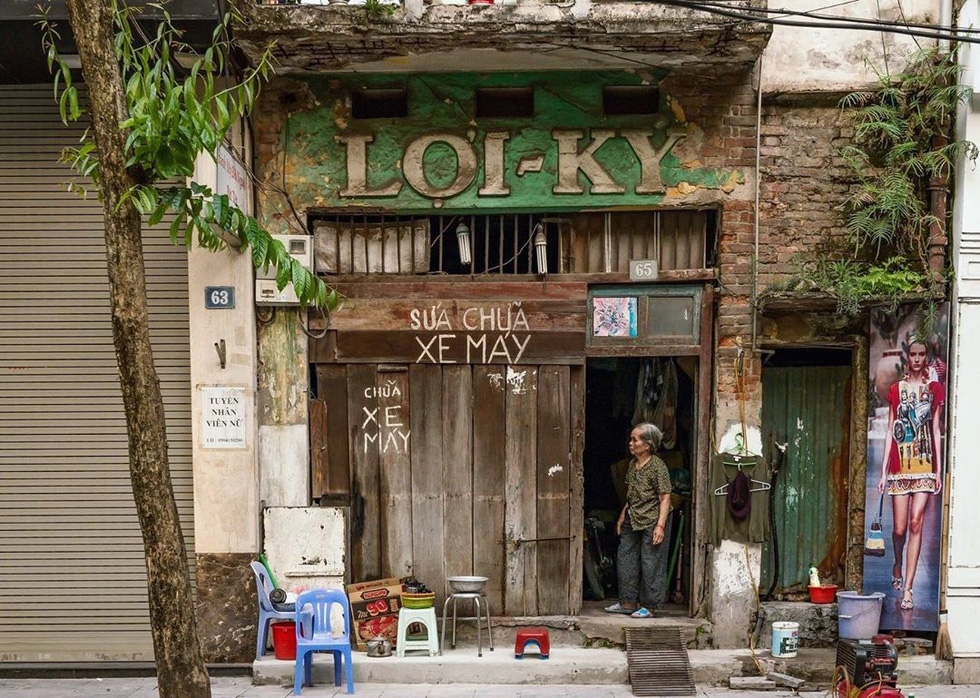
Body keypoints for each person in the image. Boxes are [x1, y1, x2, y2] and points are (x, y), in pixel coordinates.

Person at [877, 339, 945, 612]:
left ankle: (908, 588)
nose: (917, 358)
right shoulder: (896, 390)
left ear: (926, 358)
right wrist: (882, 470)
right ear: (909, 357)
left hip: (925, 464)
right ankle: (897, 562)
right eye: (913, 354)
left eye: (921, 354)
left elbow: (937, 430)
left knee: (917, 523)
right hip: (899, 466)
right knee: (899, 528)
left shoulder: (934, 390)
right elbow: (890, 430)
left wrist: (939, 470)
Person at [604, 422, 673, 618]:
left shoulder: (658, 467)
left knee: (651, 562)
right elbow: (631, 494)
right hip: (633, 517)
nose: (630, 443)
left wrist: (660, 526)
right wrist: (622, 516)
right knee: (626, 558)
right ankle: (627, 602)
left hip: (653, 518)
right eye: (631, 439)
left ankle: (650, 606)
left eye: (635, 440)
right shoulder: (633, 465)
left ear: (648, 445)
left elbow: (665, 497)